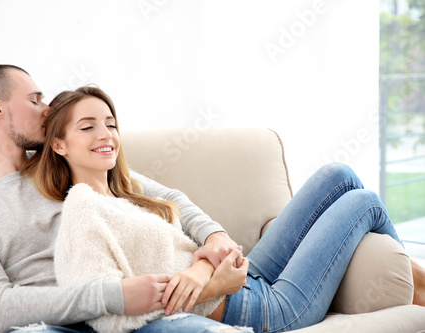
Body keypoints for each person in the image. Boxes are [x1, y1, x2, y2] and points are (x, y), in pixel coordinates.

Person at [24, 85, 425, 333]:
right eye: (88, 126)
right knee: (363, 202)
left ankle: (416, 286)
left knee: (337, 174)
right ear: (59, 145)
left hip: (244, 274)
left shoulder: (124, 190)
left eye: (110, 123)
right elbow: (107, 318)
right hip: (258, 309)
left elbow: (182, 207)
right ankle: (420, 289)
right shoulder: (81, 211)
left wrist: (211, 258)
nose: (106, 134)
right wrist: (213, 286)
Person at [0, 65, 244, 333]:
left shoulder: (62, 162)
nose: (48, 109)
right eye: (35, 100)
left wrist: (214, 236)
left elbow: (167, 197)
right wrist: (113, 296)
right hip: (51, 325)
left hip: (124, 316)